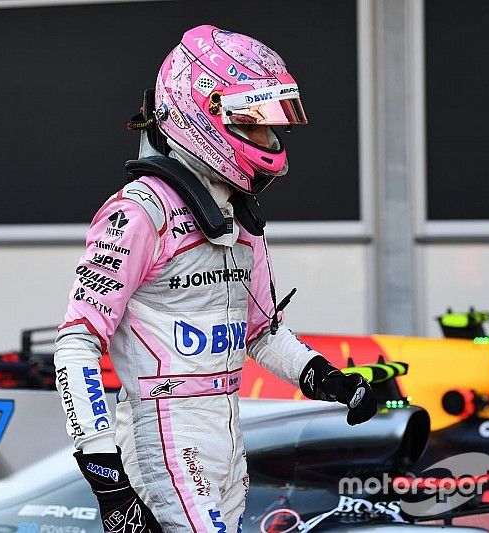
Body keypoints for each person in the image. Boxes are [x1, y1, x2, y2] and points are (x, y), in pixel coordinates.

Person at [54, 24, 377, 533]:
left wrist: (331, 381)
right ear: (201, 111)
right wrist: (107, 482)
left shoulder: (239, 217)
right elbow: (75, 345)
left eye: (272, 128)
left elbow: (261, 332)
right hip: (161, 430)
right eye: (254, 125)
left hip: (226, 427)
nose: (268, 141)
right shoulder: (139, 213)